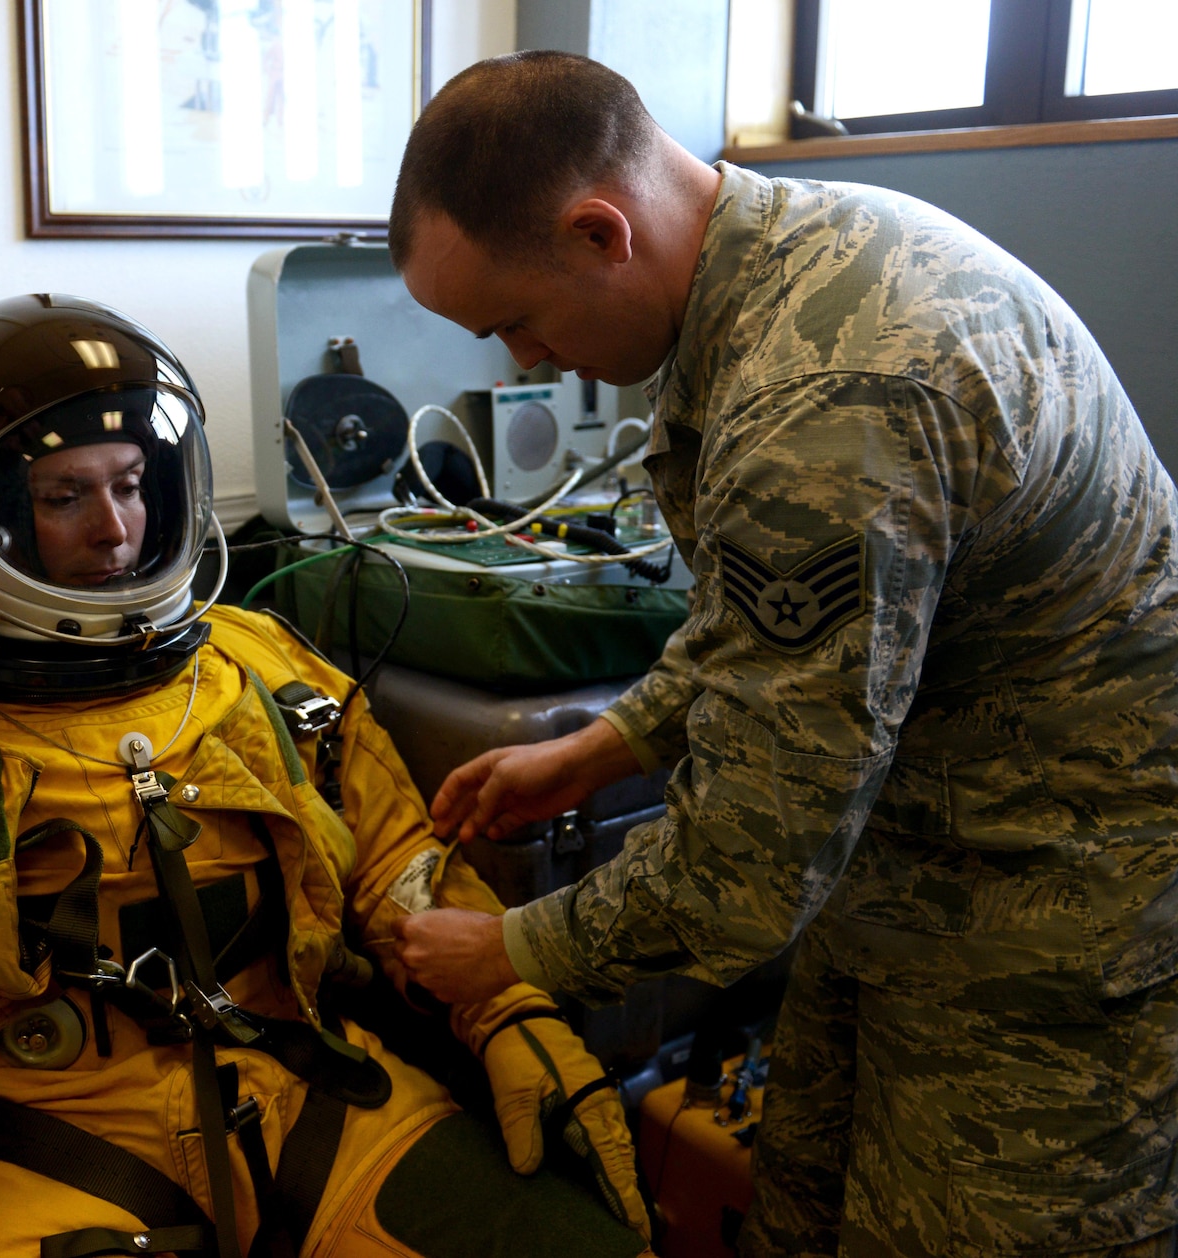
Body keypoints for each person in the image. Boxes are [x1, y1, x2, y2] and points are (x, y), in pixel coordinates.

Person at [0, 296, 652, 1258]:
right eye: (62, 495)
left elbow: (395, 862)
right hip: (32, 1148)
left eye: (130, 483)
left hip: (317, 1101)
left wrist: (504, 1009)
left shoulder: (260, 668)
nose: (114, 527)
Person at [384, 50, 1178, 1258]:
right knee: (802, 1205)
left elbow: (745, 869)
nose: (522, 366)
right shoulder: (768, 268)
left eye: (514, 321)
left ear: (600, 234)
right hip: (911, 851)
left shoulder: (827, 394)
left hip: (1052, 904)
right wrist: (608, 743)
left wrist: (505, 951)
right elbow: (768, 628)